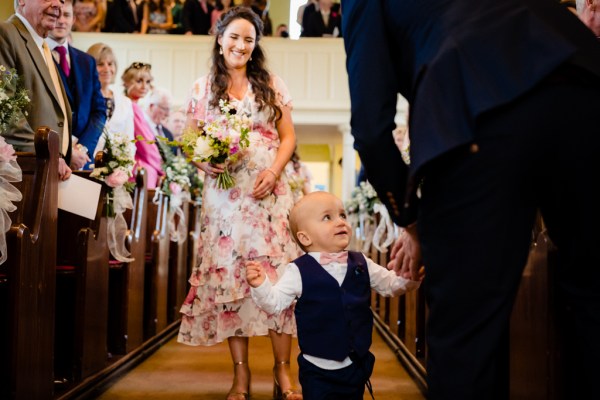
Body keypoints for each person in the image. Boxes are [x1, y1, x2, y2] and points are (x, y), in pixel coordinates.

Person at [342, 1, 600, 399]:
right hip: (582, 69)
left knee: (468, 332)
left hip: (474, 96)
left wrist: (412, 220)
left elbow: (372, 130)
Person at [177, 7, 302, 400]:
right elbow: (188, 140)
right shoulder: (202, 89)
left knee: (278, 278)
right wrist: (204, 158)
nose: (241, 45)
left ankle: (284, 372)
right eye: (234, 37)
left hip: (269, 195)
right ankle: (241, 376)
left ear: (255, 45)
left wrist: (276, 171)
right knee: (233, 283)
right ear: (220, 38)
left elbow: (287, 137)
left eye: (249, 39)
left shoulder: (271, 84)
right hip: (225, 200)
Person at [246, 191, 422, 399]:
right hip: (317, 368)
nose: (340, 222)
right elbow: (274, 303)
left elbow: (390, 285)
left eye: (342, 215)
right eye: (327, 217)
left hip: (356, 363)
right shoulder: (298, 270)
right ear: (305, 237)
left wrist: (410, 276)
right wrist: (260, 285)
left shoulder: (361, 262)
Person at [0, 0, 72, 181]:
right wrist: (44, 153)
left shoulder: (42, 45)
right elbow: (4, 108)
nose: (58, 4)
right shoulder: (6, 33)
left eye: (62, 0)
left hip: (50, 172)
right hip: (24, 171)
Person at [48, 0, 106, 169]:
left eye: (66, 15)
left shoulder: (87, 61)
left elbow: (99, 111)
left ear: (73, 20)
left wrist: (83, 147)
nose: (61, 20)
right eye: (57, 15)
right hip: (52, 158)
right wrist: (65, 150)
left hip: (83, 159)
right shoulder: (37, 56)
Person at [87, 42, 136, 160]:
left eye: (110, 64)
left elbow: (130, 141)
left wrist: (124, 170)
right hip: (84, 165)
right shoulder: (82, 98)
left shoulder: (125, 102)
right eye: (100, 64)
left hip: (116, 168)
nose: (107, 69)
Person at [122, 61, 164, 189]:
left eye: (148, 82)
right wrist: (161, 168)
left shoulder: (136, 107)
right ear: (126, 82)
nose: (144, 86)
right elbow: (146, 144)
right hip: (138, 164)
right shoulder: (131, 107)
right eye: (139, 81)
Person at [142, 87, 177, 159]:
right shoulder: (140, 128)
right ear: (152, 106)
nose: (167, 114)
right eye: (165, 109)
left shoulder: (168, 134)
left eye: (169, 110)